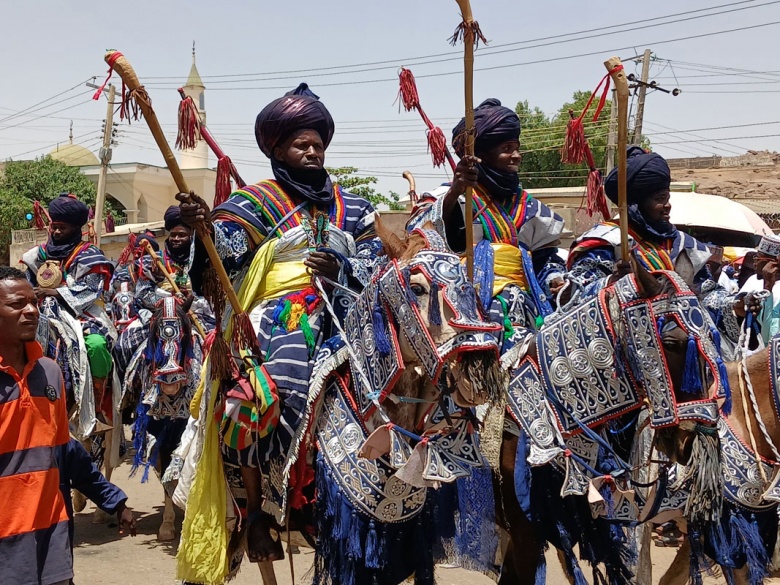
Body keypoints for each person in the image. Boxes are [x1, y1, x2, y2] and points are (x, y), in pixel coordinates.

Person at [176, 83, 380, 581]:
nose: (312, 150)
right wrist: (204, 227)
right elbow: (217, 261)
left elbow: (376, 259)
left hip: (345, 305)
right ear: (276, 150)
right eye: (299, 144)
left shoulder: (351, 206)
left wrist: (344, 265)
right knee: (262, 386)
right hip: (278, 313)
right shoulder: (254, 202)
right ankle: (258, 509)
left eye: (317, 143)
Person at [408, 98, 566, 342]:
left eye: (517, 147)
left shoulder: (531, 207)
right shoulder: (447, 197)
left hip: (525, 311)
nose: (516, 156)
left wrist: (556, 280)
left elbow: (546, 263)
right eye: (507, 149)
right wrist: (454, 194)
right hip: (464, 312)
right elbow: (418, 241)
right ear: (479, 155)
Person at [565, 147, 741, 357]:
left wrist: (734, 305)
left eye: (667, 198)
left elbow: (705, 293)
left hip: (685, 344)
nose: (667, 206)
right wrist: (611, 282)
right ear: (635, 204)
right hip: (624, 350)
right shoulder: (605, 241)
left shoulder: (683, 244)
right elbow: (574, 298)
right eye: (659, 199)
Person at [21, 193, 116, 439]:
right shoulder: (36, 256)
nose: (55, 232)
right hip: (40, 312)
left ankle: (93, 411)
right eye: (54, 226)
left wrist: (56, 291)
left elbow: (92, 289)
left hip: (81, 314)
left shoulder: (89, 255)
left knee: (95, 345)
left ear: (76, 228)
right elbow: (25, 283)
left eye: (62, 228)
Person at [0, 265, 72, 585]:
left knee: (98, 340)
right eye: (17, 304)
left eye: (33, 302)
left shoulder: (51, 372)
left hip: (51, 529)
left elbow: (59, 454)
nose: (31, 310)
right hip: (6, 534)